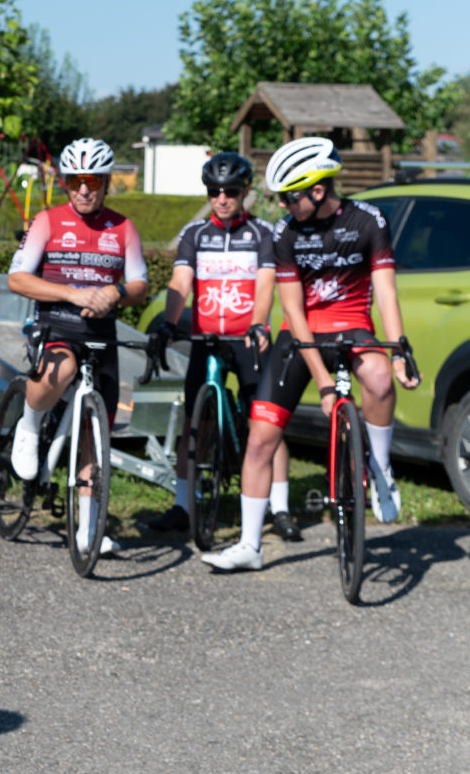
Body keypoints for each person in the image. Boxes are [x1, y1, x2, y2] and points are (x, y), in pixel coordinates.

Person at [208, 137, 419, 572]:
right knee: (261, 436)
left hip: (352, 324)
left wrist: (399, 350)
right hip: (301, 334)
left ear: (318, 191)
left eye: (289, 196)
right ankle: (249, 544)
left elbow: (386, 292)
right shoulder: (285, 231)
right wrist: (324, 382)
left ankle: (378, 468)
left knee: (379, 378)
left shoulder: (369, 221)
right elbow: (292, 310)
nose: (283, 205)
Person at [142, 152, 300, 542]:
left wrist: (259, 323)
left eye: (231, 191)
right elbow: (180, 283)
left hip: (248, 338)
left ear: (245, 192)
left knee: (266, 425)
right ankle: (183, 505)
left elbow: (266, 283)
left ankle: (279, 508)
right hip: (207, 338)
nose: (222, 198)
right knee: (195, 425)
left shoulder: (263, 233)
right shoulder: (195, 235)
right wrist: (168, 321)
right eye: (214, 191)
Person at [6, 137, 149, 556]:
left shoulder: (123, 227)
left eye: (92, 181)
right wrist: (71, 293)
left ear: (106, 182)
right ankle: (29, 427)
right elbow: (17, 279)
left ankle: (88, 529)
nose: (83, 189)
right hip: (56, 324)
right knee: (61, 368)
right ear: (65, 183)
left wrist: (116, 292)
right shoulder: (47, 221)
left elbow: (140, 284)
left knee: (94, 435)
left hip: (101, 335)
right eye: (74, 181)